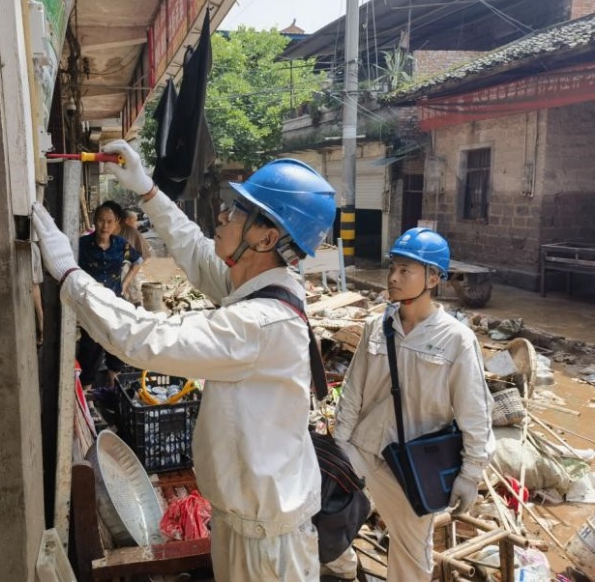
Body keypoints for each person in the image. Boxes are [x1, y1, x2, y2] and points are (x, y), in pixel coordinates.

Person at [32, 140, 337, 581]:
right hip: (246, 525)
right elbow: (195, 250)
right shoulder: (263, 285)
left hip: (268, 543)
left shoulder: (261, 323)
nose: (223, 214)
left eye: (237, 211)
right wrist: (147, 190)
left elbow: (145, 338)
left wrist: (68, 274)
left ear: (266, 237)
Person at [333, 228, 495, 582]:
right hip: (364, 448)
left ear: (433, 277)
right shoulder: (377, 327)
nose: (393, 277)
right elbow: (353, 390)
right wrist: (339, 445)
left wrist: (469, 476)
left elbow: (475, 414)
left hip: (412, 467)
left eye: (406, 270)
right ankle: (343, 572)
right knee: (318, 511)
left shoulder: (456, 341)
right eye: (394, 267)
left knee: (409, 557)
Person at [76, 200, 143, 387]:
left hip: (114, 301)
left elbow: (138, 260)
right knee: (91, 345)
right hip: (90, 304)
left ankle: (114, 380)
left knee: (116, 340)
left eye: (109, 221)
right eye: (100, 221)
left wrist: (125, 283)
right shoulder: (82, 245)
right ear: (95, 221)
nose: (104, 226)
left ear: (116, 223)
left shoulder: (121, 245)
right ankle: (86, 387)